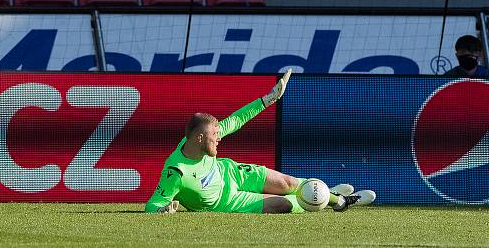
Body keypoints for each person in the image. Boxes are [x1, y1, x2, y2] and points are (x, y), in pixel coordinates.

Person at [145, 70, 375, 214]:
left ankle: (332, 197)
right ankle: (331, 200)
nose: (219, 138)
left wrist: (269, 98)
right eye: (215, 136)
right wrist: (164, 210)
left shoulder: (204, 141)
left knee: (287, 183)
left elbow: (236, 120)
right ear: (199, 138)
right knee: (283, 204)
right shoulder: (176, 171)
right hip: (227, 201)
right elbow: (152, 205)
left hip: (231, 173)